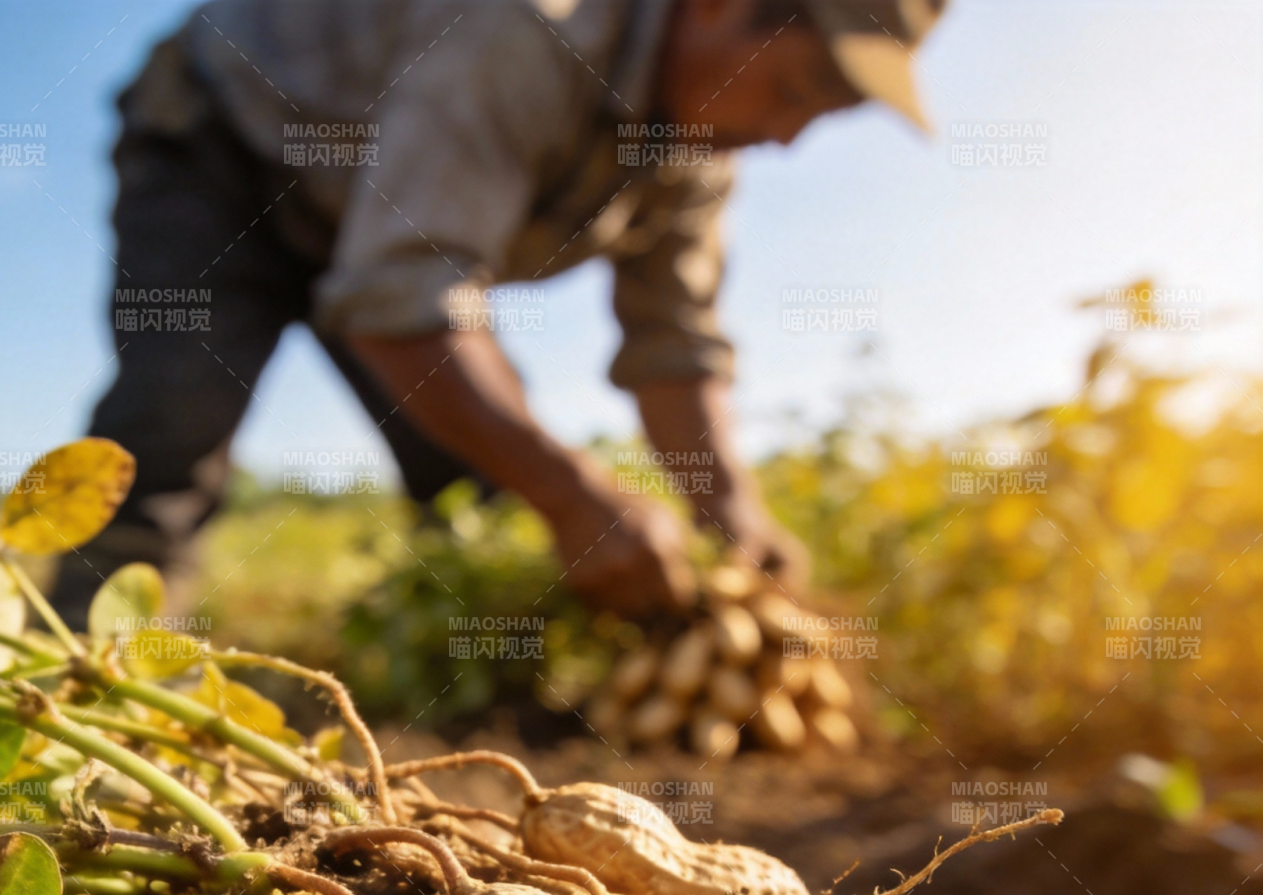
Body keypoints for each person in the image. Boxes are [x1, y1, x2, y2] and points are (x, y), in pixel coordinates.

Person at [52, 0, 944, 626]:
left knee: (475, 475)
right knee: (172, 422)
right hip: (222, 146)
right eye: (792, 92)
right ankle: (83, 689)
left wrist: (732, 515)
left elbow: (675, 345)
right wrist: (574, 492)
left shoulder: (699, 153)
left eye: (825, 117)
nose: (787, 138)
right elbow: (403, 302)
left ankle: (481, 683)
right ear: (717, 5)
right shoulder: (526, 31)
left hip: (370, 226)